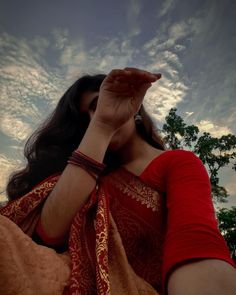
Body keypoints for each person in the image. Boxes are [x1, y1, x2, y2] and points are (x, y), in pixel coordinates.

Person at [0, 68, 235, 295]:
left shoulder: (178, 163)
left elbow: (196, 242)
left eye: (97, 105)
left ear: (133, 107)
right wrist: (101, 126)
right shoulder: (90, 181)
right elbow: (48, 235)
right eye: (85, 119)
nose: (93, 118)